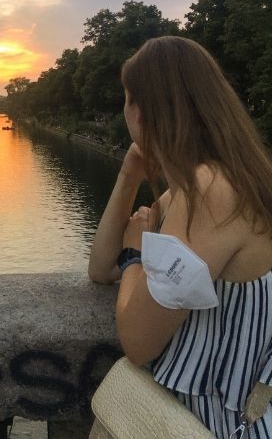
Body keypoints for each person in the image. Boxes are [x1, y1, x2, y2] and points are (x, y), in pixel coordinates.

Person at [85, 36, 272, 434]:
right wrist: (129, 172)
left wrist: (134, 256)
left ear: (140, 110)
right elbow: (101, 267)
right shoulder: (224, 180)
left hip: (213, 424)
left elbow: (138, 343)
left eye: (126, 99)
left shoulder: (209, 192)